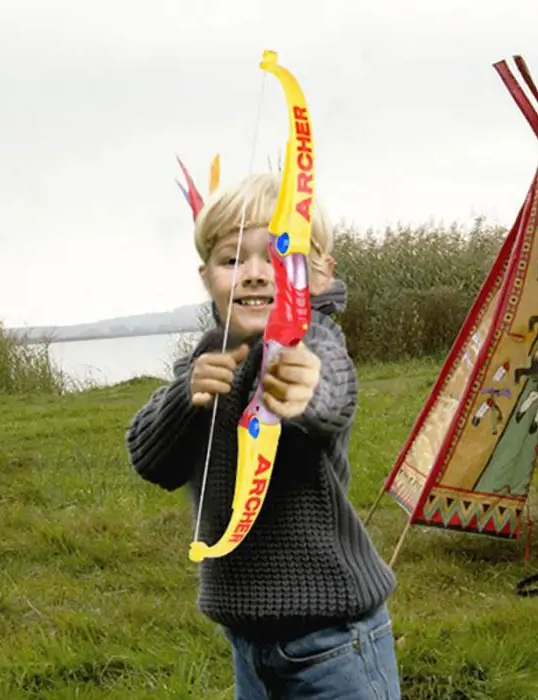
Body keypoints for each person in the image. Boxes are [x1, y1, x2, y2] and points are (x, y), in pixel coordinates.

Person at [125, 173, 401, 699]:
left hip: (335, 639)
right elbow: (149, 458)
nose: (254, 274)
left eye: (278, 258)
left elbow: (331, 398)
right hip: (248, 639)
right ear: (206, 277)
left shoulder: (315, 341)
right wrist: (186, 396)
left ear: (319, 273)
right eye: (232, 260)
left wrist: (300, 389)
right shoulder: (207, 358)